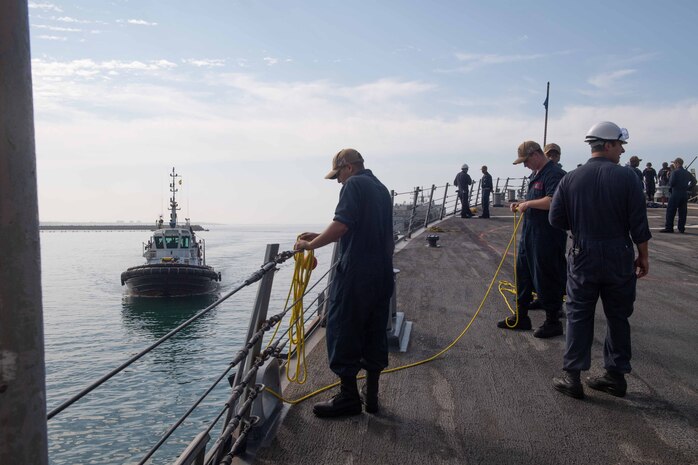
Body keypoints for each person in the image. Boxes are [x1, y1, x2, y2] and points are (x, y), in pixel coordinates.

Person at [549, 121, 651, 399]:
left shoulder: (570, 178)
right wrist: (643, 255)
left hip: (583, 253)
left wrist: (581, 228)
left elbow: (555, 218)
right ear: (607, 145)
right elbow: (638, 223)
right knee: (618, 315)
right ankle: (615, 376)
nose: (621, 150)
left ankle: (572, 377)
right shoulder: (629, 177)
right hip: (619, 253)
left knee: (578, 314)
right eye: (619, 145)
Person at [294, 148, 394, 417]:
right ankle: (371, 396)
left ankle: (348, 398)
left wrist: (309, 244)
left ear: (348, 167)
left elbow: (342, 226)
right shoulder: (380, 188)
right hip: (382, 273)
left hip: (356, 275)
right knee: (374, 331)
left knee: (342, 330)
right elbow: (354, 227)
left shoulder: (353, 185)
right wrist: (320, 234)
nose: (338, 180)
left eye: (338, 174)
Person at [496, 141, 566, 338]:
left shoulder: (554, 174)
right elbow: (536, 200)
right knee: (523, 274)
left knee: (547, 276)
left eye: (526, 161)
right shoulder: (535, 175)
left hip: (547, 236)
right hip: (530, 233)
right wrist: (520, 204)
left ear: (535, 155)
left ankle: (553, 321)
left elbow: (554, 201)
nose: (525, 165)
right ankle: (521, 317)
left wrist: (528, 203)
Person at [660, 157, 697, 233]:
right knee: (683, 212)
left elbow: (671, 183)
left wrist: (669, 176)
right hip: (684, 193)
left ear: (677, 163)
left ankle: (669, 227)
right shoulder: (686, 172)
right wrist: (688, 188)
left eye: (674, 163)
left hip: (675, 192)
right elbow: (694, 181)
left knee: (671, 211)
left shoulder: (675, 172)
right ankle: (681, 228)